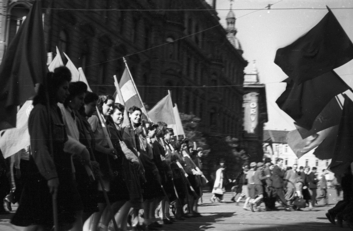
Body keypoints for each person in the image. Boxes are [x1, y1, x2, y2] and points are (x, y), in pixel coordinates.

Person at [11, 66, 90, 230]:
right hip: (43, 173)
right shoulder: (40, 111)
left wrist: (82, 150)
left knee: (62, 219)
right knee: (40, 223)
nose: (67, 92)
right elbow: (40, 147)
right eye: (64, 88)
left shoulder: (56, 110)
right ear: (53, 87)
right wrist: (51, 176)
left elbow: (61, 141)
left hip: (60, 170)